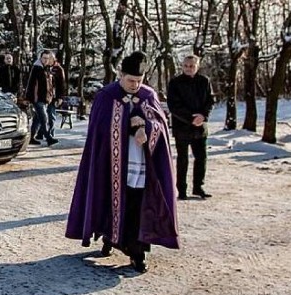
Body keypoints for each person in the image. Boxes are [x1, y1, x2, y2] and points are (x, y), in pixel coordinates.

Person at [65, 51, 179, 273]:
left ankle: (137, 250)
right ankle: (110, 236)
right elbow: (99, 131)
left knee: (137, 204)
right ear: (121, 75)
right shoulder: (106, 96)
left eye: (139, 80)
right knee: (110, 200)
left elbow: (161, 128)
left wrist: (145, 128)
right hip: (110, 165)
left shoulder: (148, 95)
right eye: (131, 80)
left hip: (141, 166)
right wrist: (127, 125)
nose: (135, 85)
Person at [167, 55, 215, 200]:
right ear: (182, 66)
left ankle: (198, 187)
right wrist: (191, 119)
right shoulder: (175, 83)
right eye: (186, 66)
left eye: (192, 66)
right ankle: (181, 189)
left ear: (197, 66)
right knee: (182, 159)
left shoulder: (204, 81)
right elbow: (173, 106)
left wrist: (203, 116)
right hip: (182, 126)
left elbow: (210, 100)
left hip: (200, 126)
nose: (188, 68)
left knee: (201, 157)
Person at [24, 50, 59, 146]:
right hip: (37, 98)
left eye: (47, 58)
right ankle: (49, 138)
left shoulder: (46, 68)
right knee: (44, 118)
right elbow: (31, 83)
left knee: (37, 119)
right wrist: (28, 97)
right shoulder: (36, 68)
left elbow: (50, 85)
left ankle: (31, 138)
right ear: (40, 58)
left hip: (45, 98)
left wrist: (51, 96)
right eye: (44, 58)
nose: (46, 60)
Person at [44, 51, 67, 139]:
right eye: (46, 58)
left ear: (53, 59)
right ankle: (41, 132)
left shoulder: (58, 69)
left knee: (51, 115)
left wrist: (60, 97)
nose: (47, 60)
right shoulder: (44, 68)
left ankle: (51, 133)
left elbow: (62, 84)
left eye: (49, 58)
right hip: (44, 95)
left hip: (53, 96)